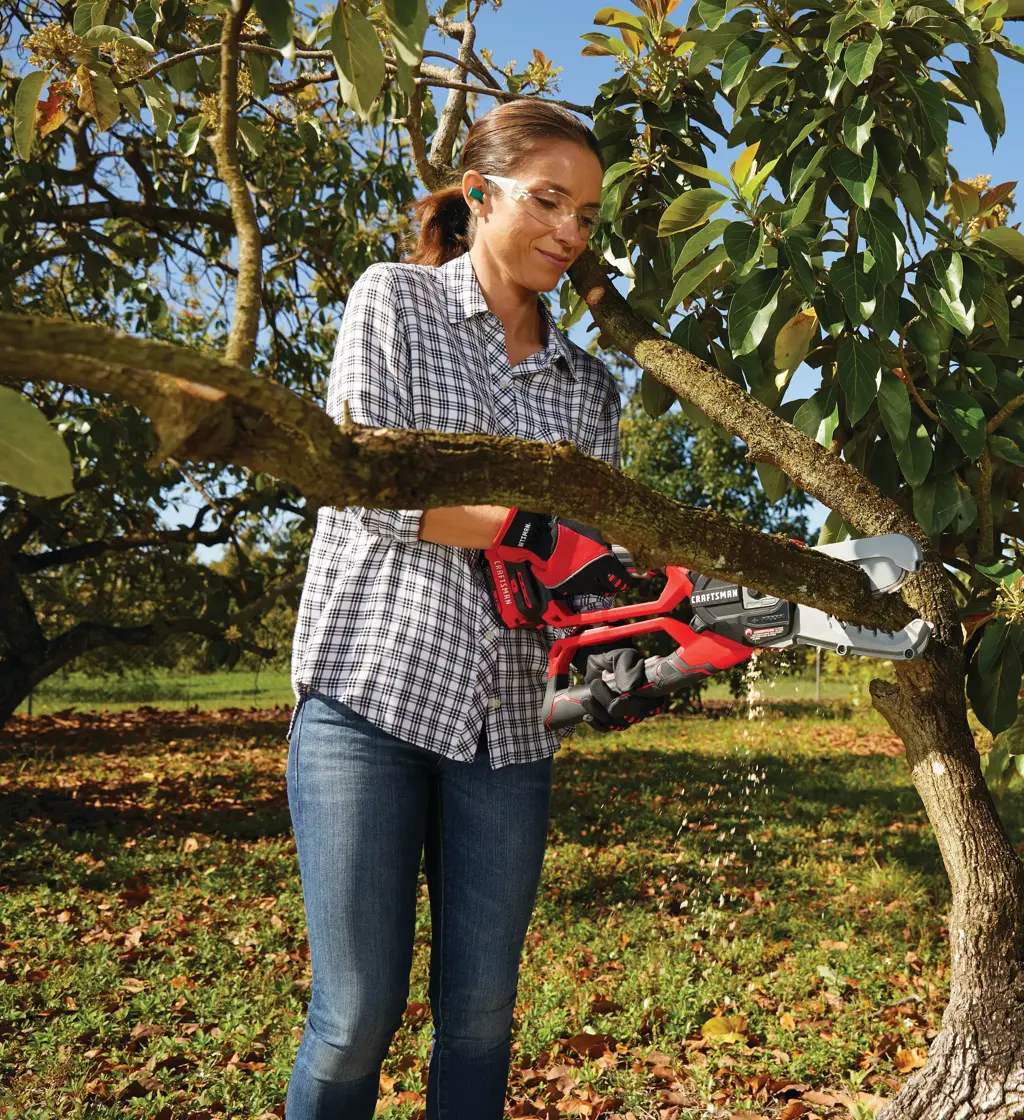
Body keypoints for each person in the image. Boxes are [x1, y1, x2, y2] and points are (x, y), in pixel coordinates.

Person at [284, 98, 658, 1120]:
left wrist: (626, 636)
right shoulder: (393, 302)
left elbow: (594, 562)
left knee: (483, 1016)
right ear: (480, 193)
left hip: (508, 731)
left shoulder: (589, 387)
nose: (569, 233)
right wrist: (526, 528)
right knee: (356, 1012)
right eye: (548, 201)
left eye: (585, 215)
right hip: (370, 702)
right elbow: (366, 484)